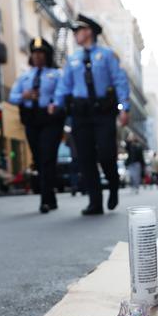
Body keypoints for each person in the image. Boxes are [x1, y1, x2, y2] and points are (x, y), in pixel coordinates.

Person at [52, 14, 129, 215]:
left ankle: (113, 184)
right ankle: (95, 202)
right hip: (81, 114)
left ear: (89, 32)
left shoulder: (107, 55)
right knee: (85, 158)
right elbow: (64, 85)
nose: (75, 34)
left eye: (78, 30)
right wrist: (56, 103)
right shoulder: (73, 59)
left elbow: (119, 81)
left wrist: (125, 107)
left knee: (106, 153)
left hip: (103, 112)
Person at [9, 37, 64, 213]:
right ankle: (51, 196)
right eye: (35, 53)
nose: (38, 57)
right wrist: (24, 96)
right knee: (39, 159)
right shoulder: (25, 76)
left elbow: (62, 94)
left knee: (48, 157)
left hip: (50, 120)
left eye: (41, 53)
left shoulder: (56, 75)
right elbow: (12, 96)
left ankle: (45, 199)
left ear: (47, 56)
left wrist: (54, 103)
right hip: (31, 120)